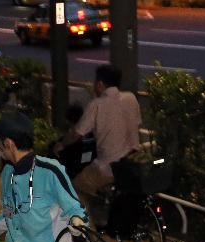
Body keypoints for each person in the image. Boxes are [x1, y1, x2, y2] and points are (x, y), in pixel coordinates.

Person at [0, 111, 88, 242]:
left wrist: (77, 221)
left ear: (8, 143)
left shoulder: (50, 171)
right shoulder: (7, 173)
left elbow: (75, 209)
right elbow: (9, 212)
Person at [53, 64, 141, 221]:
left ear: (100, 84)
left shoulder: (97, 105)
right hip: (131, 164)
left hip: (109, 168)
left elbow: (77, 134)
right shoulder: (131, 98)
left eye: (95, 82)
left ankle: (85, 230)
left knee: (74, 187)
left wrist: (61, 145)